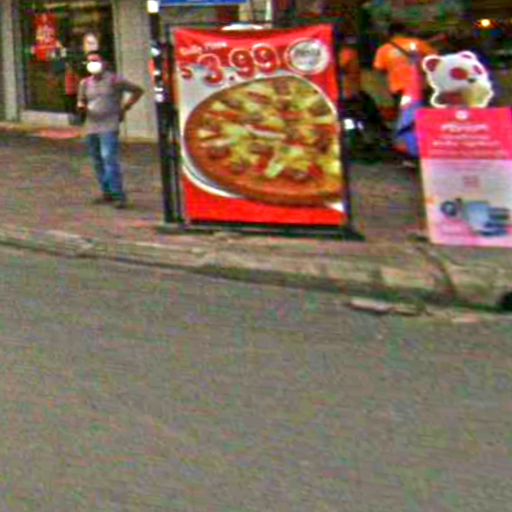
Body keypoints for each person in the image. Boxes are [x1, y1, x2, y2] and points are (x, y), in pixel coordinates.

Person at [77, 51, 144, 208]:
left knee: (108, 157)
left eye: (95, 60)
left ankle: (118, 194)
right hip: (91, 124)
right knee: (97, 160)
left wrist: (126, 106)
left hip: (109, 123)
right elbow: (81, 100)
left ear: (104, 63)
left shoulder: (114, 80)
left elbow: (137, 90)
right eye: (89, 61)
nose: (92, 64)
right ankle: (106, 191)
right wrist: (81, 107)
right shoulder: (85, 83)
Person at [373, 22, 437, 111]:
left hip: (399, 89)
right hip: (420, 86)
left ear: (390, 33)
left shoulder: (383, 50)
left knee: (406, 114)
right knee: (424, 114)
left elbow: (379, 68)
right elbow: (434, 60)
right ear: (404, 31)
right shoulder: (418, 43)